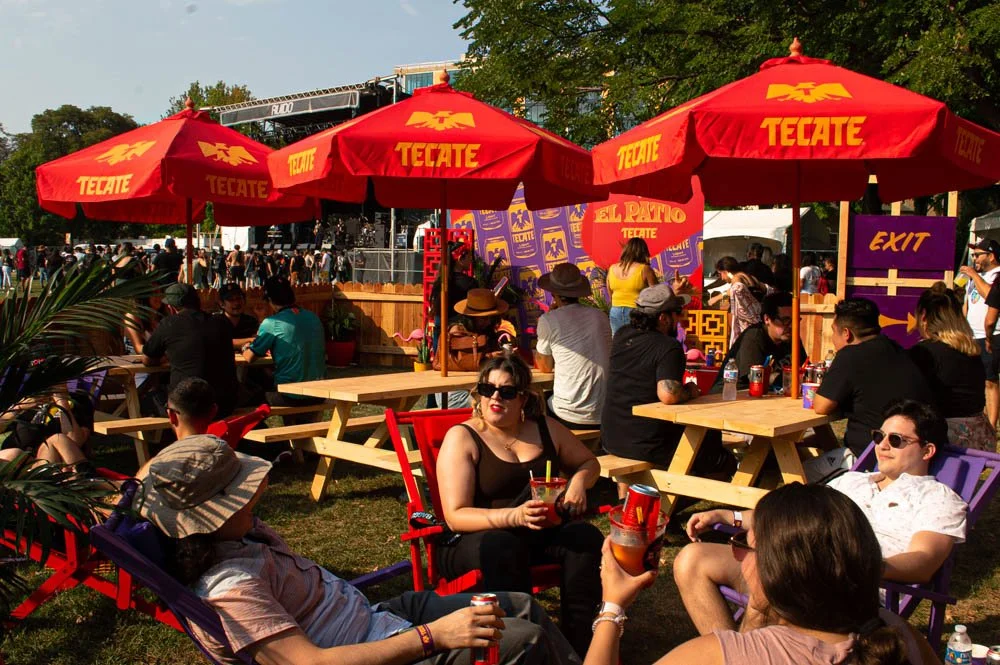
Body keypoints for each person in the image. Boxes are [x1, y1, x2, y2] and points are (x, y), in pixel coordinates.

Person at [140, 436, 581, 665]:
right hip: (376, 651)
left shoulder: (238, 537)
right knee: (521, 641)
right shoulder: (231, 590)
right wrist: (434, 637)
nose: (256, 495)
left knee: (520, 606)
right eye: (242, 495)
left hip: (374, 619)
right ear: (211, 519)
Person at [671, 399, 966, 640]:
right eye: (879, 436)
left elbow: (923, 562)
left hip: (854, 590)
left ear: (928, 450)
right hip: (802, 568)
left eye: (896, 440)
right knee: (692, 559)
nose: (882, 445)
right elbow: (793, 515)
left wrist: (852, 564)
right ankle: (733, 653)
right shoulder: (852, 481)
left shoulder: (938, 498)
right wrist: (730, 515)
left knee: (771, 579)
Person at [590, 480, 943, 665]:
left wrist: (612, 607)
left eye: (744, 544)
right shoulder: (903, 639)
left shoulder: (717, 655)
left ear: (776, 569)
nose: (738, 557)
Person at [436, 352, 602, 656]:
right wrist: (513, 516)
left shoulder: (545, 429)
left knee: (585, 538)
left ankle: (580, 647)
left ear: (523, 398)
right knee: (503, 546)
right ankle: (524, 649)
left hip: (538, 533)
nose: (495, 397)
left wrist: (578, 483)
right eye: (488, 389)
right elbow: (455, 516)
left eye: (507, 391)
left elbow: (589, 462)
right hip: (476, 539)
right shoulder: (463, 437)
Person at [601, 284, 705, 475]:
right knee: (715, 453)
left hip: (611, 437)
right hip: (646, 443)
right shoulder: (669, 347)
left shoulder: (622, 335)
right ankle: (672, 502)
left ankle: (627, 501)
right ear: (663, 318)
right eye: (677, 313)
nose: (680, 318)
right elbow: (668, 394)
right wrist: (690, 391)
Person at [813, 298, 934, 454]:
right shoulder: (895, 348)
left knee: (805, 471)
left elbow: (821, 406)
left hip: (875, 458)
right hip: (916, 452)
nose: (832, 338)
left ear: (846, 334)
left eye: (833, 331)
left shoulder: (849, 356)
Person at [909, 283, 994, 449]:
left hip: (947, 441)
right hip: (980, 439)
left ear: (924, 316)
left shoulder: (924, 352)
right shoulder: (972, 350)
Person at [534, 263, 611, 429]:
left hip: (570, 415)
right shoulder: (600, 316)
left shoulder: (549, 320)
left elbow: (545, 366)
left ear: (554, 293)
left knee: (535, 401)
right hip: (605, 412)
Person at [143, 282, 238, 417]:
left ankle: (165, 437)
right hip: (224, 403)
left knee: (148, 399)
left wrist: (169, 357)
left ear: (171, 307)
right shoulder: (221, 322)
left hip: (187, 404)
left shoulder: (169, 323)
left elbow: (147, 360)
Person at [242, 276, 325, 410]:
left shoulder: (272, 323)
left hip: (291, 395)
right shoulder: (313, 317)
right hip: (319, 393)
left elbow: (250, 357)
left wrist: (244, 347)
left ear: (270, 300)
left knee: (246, 399)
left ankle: (261, 430)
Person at [710, 292, 804, 392]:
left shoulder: (792, 338)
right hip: (731, 397)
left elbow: (804, 367)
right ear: (767, 319)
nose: (791, 326)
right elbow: (755, 378)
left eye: (796, 320)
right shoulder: (753, 337)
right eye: (786, 320)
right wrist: (786, 377)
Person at [0, 391, 95, 473]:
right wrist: (19, 407)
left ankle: (88, 478)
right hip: (15, 465)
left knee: (58, 439)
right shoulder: (24, 399)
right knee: (14, 454)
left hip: (49, 462)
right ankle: (91, 479)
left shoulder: (77, 401)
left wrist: (62, 402)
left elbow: (75, 441)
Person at [962, 238, 1000, 430]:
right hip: (971, 335)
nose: (974, 258)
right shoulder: (974, 277)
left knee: (990, 379)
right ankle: (982, 418)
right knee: (975, 378)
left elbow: (990, 296)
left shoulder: (997, 276)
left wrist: (973, 275)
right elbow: (967, 304)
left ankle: (992, 425)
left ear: (991, 256)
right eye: (973, 255)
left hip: (991, 335)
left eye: (977, 255)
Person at [709, 257, 766, 346]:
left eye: (721, 274)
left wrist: (717, 298)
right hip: (758, 321)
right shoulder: (749, 277)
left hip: (747, 324)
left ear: (726, 271)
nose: (722, 278)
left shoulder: (737, 278)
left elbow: (737, 288)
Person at [606, 238, 658, 336]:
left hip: (615, 311)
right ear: (643, 252)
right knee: (637, 344)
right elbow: (657, 294)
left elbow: (611, 294)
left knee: (618, 343)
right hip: (636, 312)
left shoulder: (612, 268)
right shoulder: (645, 269)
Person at [214, 283, 259, 352]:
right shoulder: (216, 322)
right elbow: (219, 343)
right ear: (222, 304)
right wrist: (249, 340)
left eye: (239, 298)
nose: (236, 303)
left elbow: (258, 342)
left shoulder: (251, 322)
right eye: (231, 300)